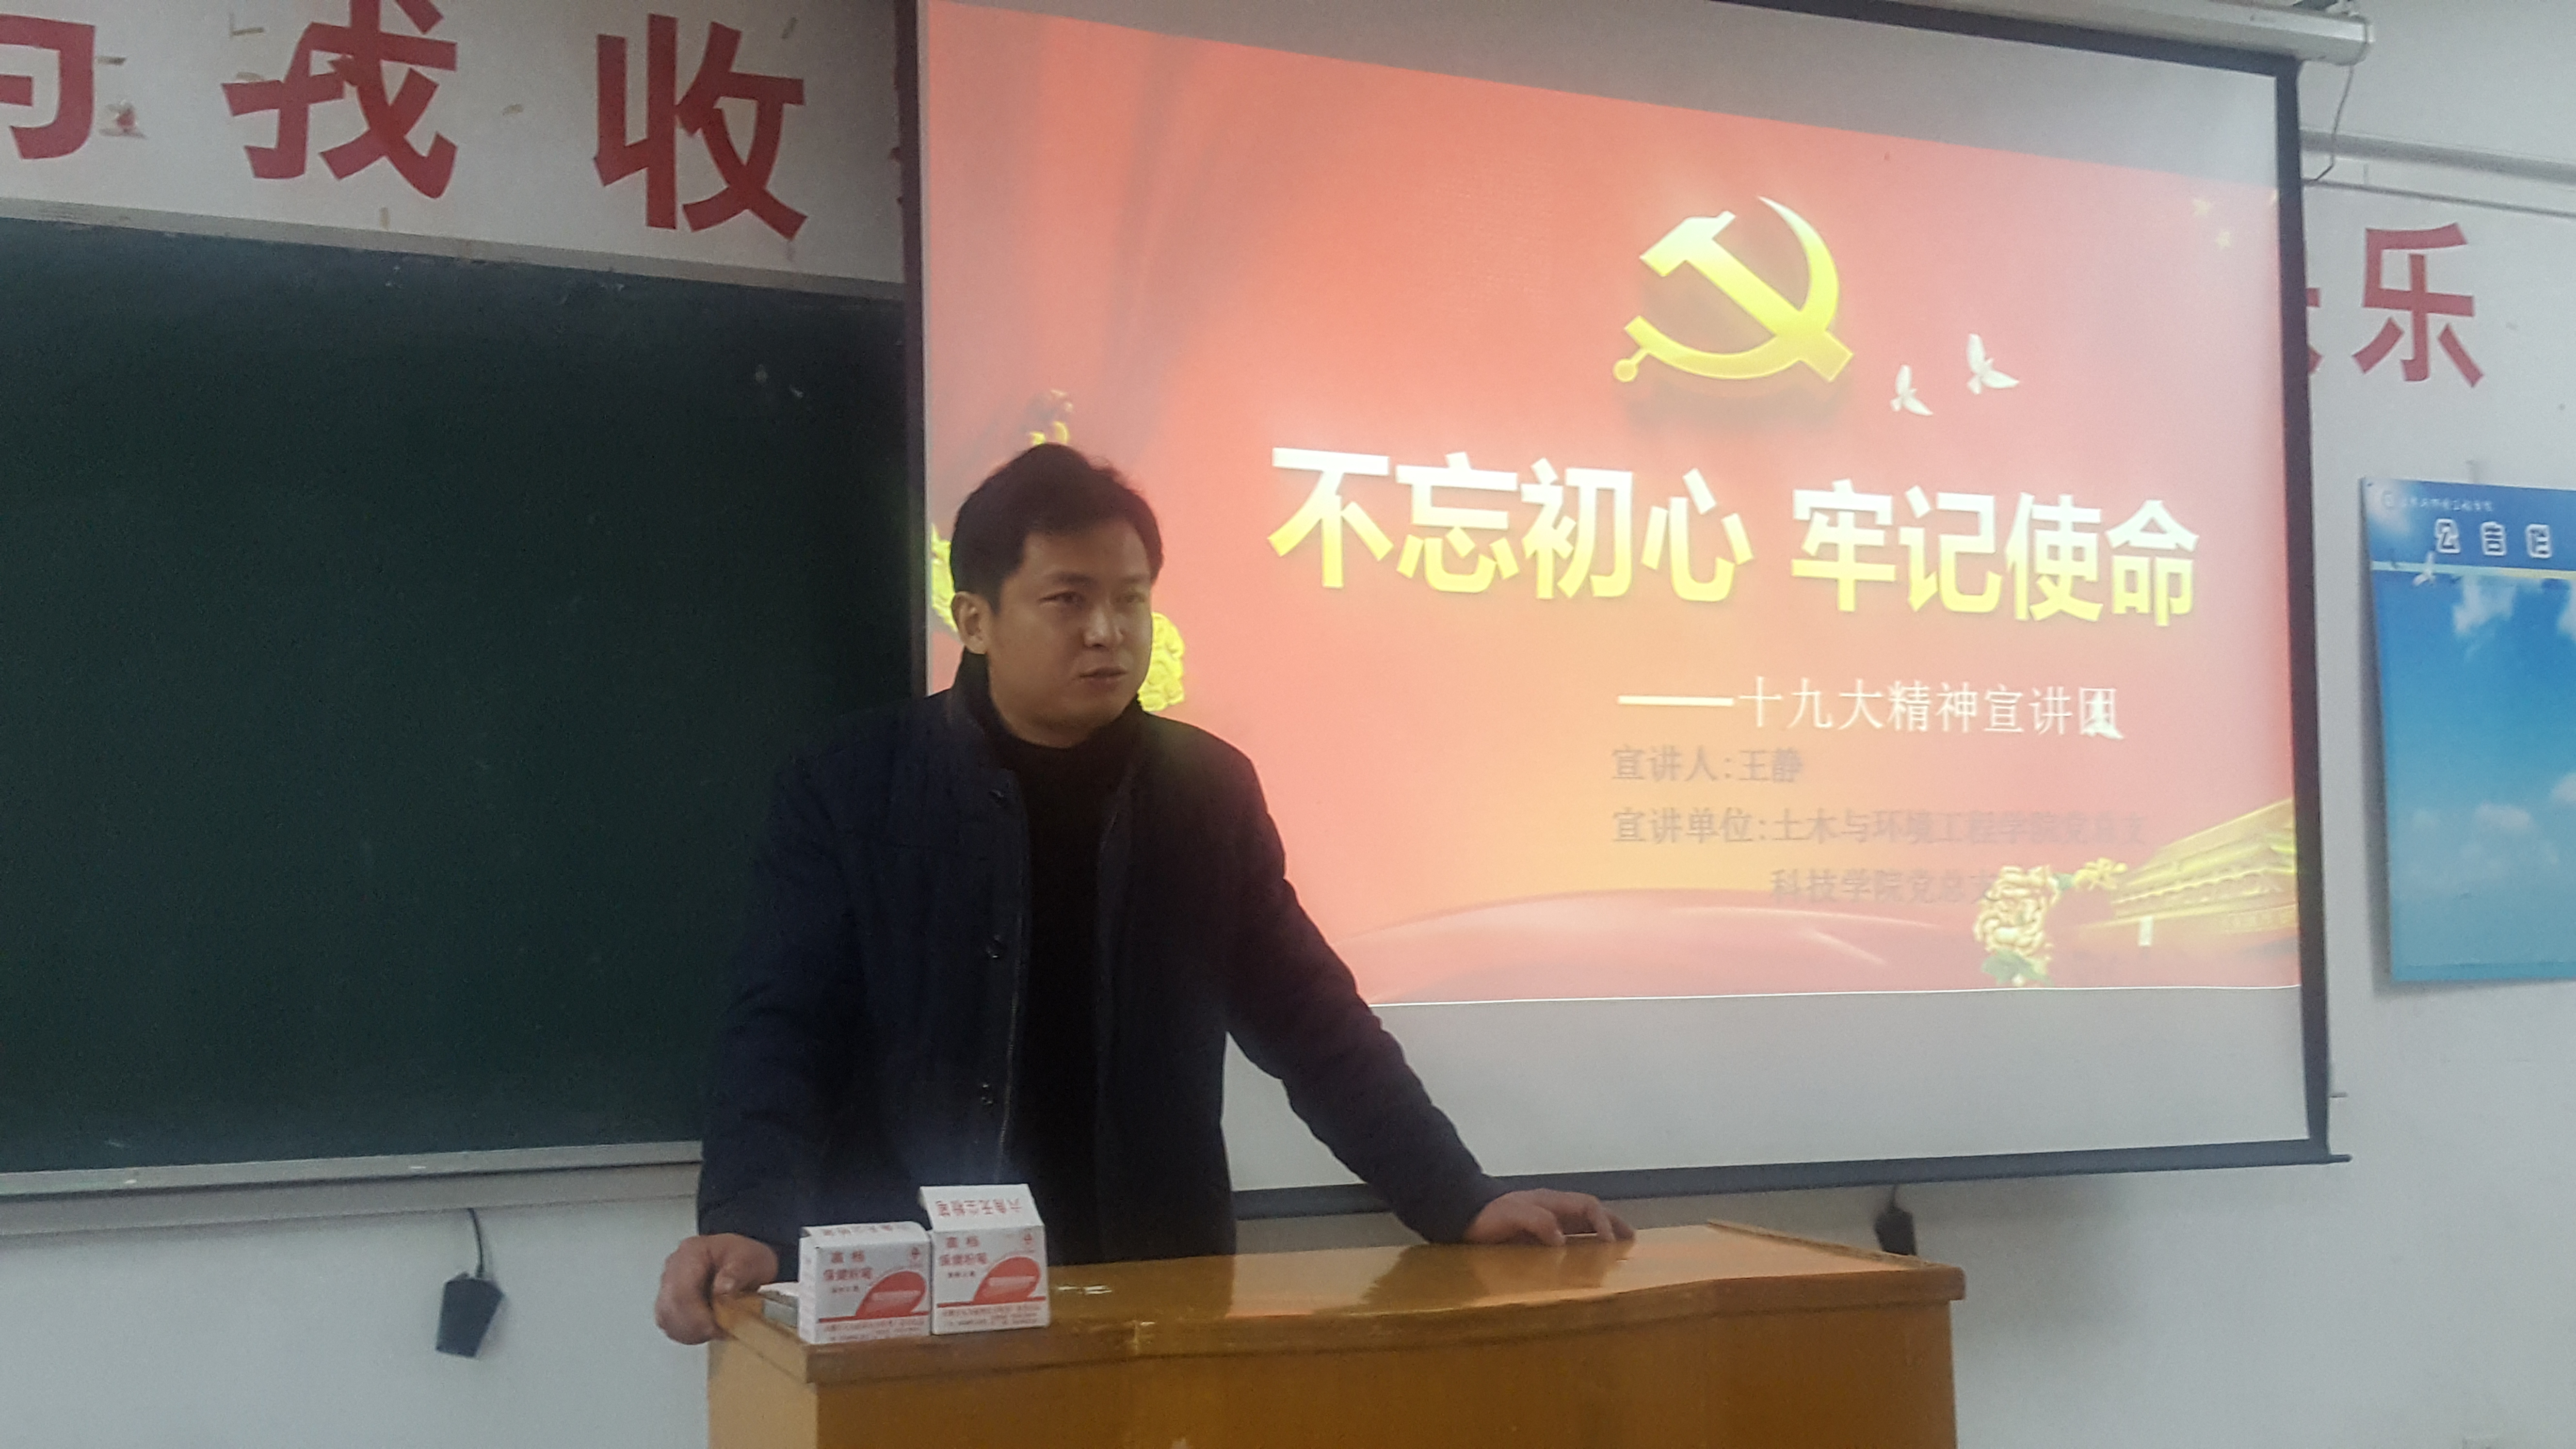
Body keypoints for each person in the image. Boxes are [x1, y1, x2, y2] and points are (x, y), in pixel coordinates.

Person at [656, 445, 1628, 1345]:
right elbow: (780, 1027)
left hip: (1154, 1279)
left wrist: (1457, 1195)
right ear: (976, 620)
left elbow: (1311, 1020)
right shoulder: (851, 784)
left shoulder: (1204, 791)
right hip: (917, 1292)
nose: (1107, 632)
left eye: (1131, 600)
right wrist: (749, 1218)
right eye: (1067, 600)